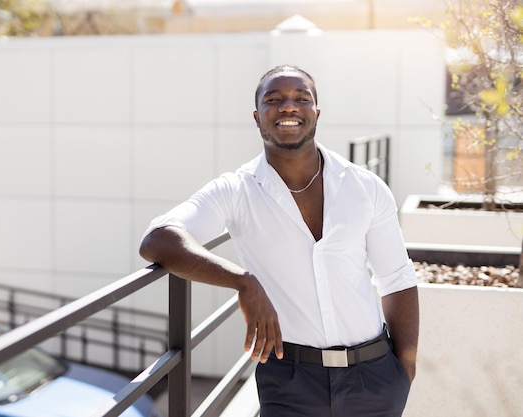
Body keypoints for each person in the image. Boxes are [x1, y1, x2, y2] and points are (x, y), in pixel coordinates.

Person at [139, 65, 419, 416]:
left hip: (374, 376)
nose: (288, 107)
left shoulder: (365, 186)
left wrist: (404, 370)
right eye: (274, 100)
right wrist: (243, 282)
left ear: (316, 113)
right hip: (290, 382)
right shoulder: (236, 190)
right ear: (258, 118)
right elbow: (157, 239)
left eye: (301, 98)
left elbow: (396, 277)